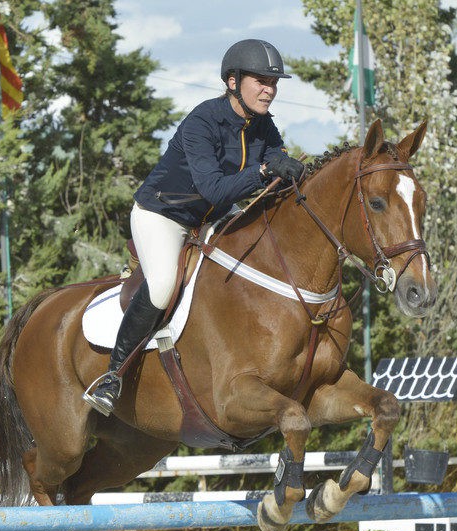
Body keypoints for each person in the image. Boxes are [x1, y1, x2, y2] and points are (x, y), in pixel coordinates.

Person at [83, 39, 306, 416]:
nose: (270, 89)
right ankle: (112, 376)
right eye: (262, 81)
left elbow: (275, 167)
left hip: (212, 218)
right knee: (163, 286)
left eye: (274, 82)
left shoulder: (264, 126)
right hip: (163, 215)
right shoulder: (202, 121)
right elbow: (214, 187)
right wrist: (267, 170)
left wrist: (293, 173)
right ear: (233, 81)